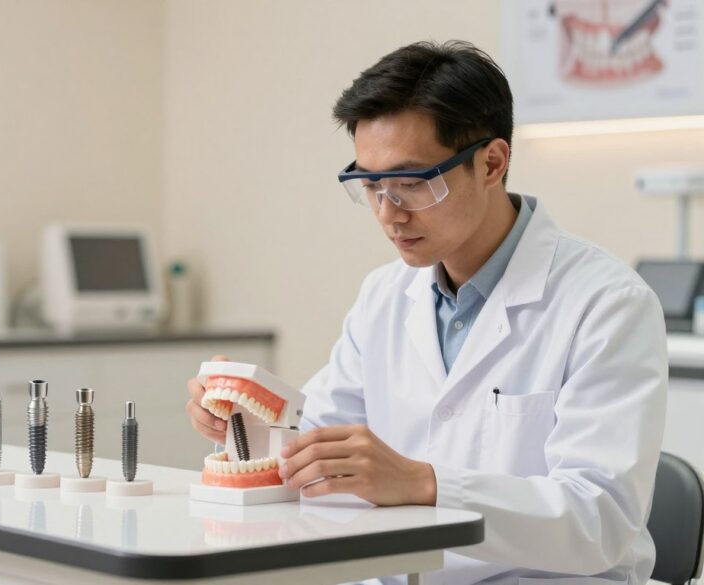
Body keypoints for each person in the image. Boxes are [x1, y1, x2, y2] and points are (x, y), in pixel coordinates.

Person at [185, 40, 667, 584]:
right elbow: (314, 447)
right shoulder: (384, 295)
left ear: (492, 163)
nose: (389, 213)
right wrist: (242, 419)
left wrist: (425, 483)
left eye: (412, 183)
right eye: (371, 185)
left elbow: (601, 520)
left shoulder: (607, 304)